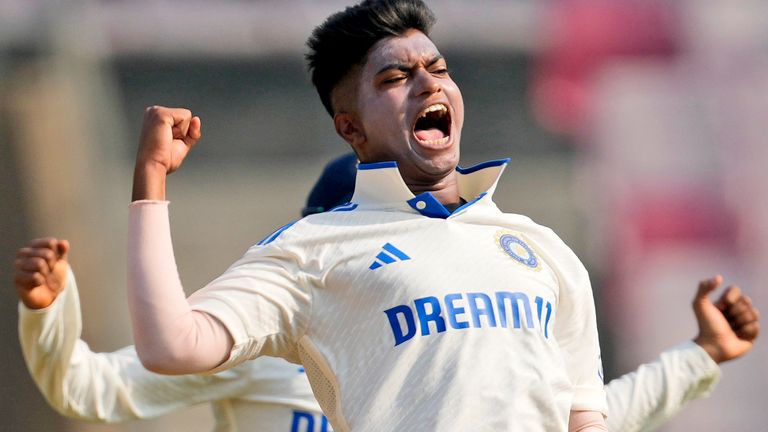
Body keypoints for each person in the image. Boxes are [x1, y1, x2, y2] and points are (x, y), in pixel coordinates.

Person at [121, 1, 757, 431]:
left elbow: (585, 416)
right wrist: (151, 183)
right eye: (396, 77)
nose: (429, 84)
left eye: (438, 68)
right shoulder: (314, 248)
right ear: (351, 127)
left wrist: (699, 355)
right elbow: (171, 345)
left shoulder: (540, 248)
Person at [14, 153, 759, 431]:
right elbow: (89, 390)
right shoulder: (253, 346)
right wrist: (50, 313)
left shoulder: (459, 353)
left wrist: (701, 356)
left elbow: (585, 416)